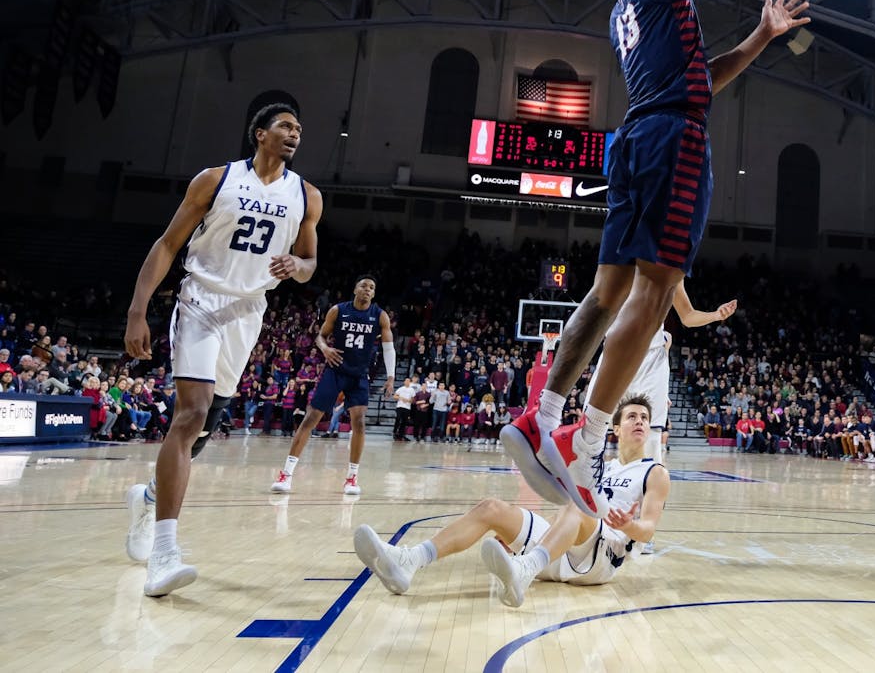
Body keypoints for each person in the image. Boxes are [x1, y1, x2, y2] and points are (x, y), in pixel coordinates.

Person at [501, 0, 811, 519]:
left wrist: (762, 35)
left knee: (607, 289)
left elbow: (702, 78)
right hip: (673, 140)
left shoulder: (626, 10)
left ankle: (541, 416)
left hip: (640, 135)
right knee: (657, 288)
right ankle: (586, 444)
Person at [122, 103, 322, 597]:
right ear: (260, 134)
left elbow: (310, 261)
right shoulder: (216, 180)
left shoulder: (307, 195)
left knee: (205, 429)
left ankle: (148, 497)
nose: (295, 134)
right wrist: (137, 310)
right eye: (285, 126)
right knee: (191, 413)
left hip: (248, 311)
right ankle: (165, 552)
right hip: (202, 299)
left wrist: (297, 267)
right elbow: (168, 244)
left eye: (299, 129)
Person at [353, 394, 668, 601]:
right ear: (616, 428)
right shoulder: (599, 466)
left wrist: (629, 525)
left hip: (602, 557)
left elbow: (648, 530)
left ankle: (525, 567)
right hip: (564, 547)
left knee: (581, 504)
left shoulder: (654, 472)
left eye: (644, 418)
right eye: (632, 416)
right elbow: (563, 509)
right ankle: (410, 561)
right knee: (491, 508)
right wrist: (522, 533)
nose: (640, 421)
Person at [582, 283, 737, 461]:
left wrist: (716, 315)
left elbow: (688, 316)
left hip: (652, 358)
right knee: (591, 430)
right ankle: (585, 476)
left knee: (652, 438)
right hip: (617, 351)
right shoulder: (622, 267)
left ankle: (647, 477)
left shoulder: (674, 272)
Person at [271, 276, 394, 495]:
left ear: (374, 294)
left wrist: (391, 376)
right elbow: (320, 336)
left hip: (359, 375)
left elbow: (389, 347)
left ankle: (352, 478)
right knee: (311, 418)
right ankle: (286, 474)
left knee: (359, 422)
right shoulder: (338, 310)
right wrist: (325, 349)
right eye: (364, 286)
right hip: (335, 370)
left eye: (372, 287)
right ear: (355, 289)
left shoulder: (380, 315)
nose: (368, 289)